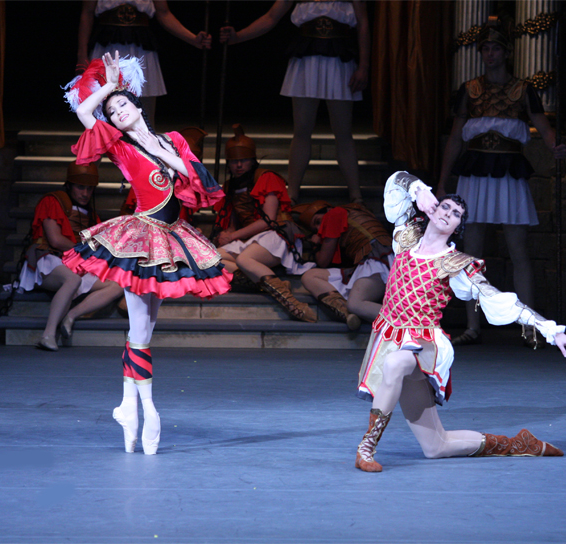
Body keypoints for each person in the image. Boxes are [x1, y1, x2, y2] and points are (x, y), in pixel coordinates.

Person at [62, 52, 231, 455]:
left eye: (123, 104)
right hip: (140, 239)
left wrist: (163, 153)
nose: (117, 112)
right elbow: (86, 110)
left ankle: (127, 406)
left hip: (173, 234)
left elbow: (196, 179)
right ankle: (148, 409)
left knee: (146, 330)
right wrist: (109, 85)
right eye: (113, 111)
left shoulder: (174, 141)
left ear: (138, 105)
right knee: (140, 331)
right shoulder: (117, 146)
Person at [355, 171, 566, 472]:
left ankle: (365, 449)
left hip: (422, 345)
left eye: (457, 214)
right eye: (445, 207)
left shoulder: (456, 264)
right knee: (436, 446)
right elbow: (394, 182)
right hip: (389, 335)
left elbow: (501, 300)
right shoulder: (405, 237)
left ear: (460, 226)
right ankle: (518, 444)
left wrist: (551, 331)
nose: (449, 213)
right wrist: (418, 188)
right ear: (433, 210)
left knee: (396, 363)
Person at [436, 16, 566, 349]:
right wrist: (441, 181)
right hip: (476, 171)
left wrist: (555, 146)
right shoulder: (470, 89)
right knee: (471, 252)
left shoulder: (523, 88)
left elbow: (542, 125)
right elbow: (455, 137)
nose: (490, 54)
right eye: (485, 49)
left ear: (505, 52)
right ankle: (472, 324)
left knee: (518, 249)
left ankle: (530, 326)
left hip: (508, 172)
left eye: (495, 49)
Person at [220, 0, 369, 204]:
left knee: (343, 132)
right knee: (302, 129)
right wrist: (238, 36)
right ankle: (292, 192)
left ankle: (356, 194)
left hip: (339, 58)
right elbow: (271, 17)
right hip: (306, 57)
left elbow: (363, 23)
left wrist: (364, 65)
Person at [213, 124, 317, 323]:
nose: (239, 165)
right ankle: (265, 282)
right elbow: (235, 221)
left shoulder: (266, 177)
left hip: (277, 233)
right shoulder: (231, 186)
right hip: (250, 239)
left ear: (252, 160)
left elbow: (268, 220)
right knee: (210, 259)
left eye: (243, 160)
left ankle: (292, 303)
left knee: (244, 260)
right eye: (234, 161)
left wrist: (233, 236)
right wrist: (229, 233)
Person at [17, 161, 124, 351]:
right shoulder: (52, 201)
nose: (85, 193)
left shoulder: (90, 214)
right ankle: (48, 335)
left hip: (75, 264)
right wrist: (85, 251)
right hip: (49, 259)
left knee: (117, 284)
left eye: (89, 189)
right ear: (69, 185)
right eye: (80, 187)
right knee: (72, 280)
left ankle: (71, 316)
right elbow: (56, 240)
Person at [77, 0, 211, 122]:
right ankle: (106, 147)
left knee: (144, 114)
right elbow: (87, 13)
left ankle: (143, 146)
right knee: (103, 106)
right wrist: (82, 53)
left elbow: (164, 13)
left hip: (141, 46)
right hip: (107, 44)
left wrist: (193, 39)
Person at [294, 199, 392, 330]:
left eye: (318, 221)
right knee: (310, 276)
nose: (319, 229)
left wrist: (316, 244)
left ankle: (411, 323)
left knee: (356, 304)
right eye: (315, 229)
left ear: (326, 211)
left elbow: (323, 261)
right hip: (367, 261)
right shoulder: (354, 210)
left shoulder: (334, 214)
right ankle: (347, 313)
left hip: (380, 259)